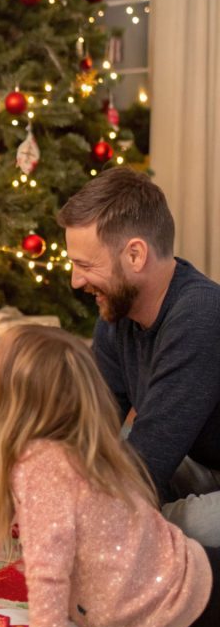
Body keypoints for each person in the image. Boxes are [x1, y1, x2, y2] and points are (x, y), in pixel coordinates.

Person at [0, 324, 220, 627]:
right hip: (176, 589)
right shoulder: (76, 450)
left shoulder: (40, 465)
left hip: (180, 607)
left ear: (18, 397)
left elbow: (48, 571)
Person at [56, 166, 220, 547]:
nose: (75, 281)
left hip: (185, 458)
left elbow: (148, 459)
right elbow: (91, 425)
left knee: (169, 523)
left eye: (85, 265)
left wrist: (88, 515)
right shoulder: (117, 314)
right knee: (115, 473)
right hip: (198, 459)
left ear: (135, 254)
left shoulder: (200, 315)